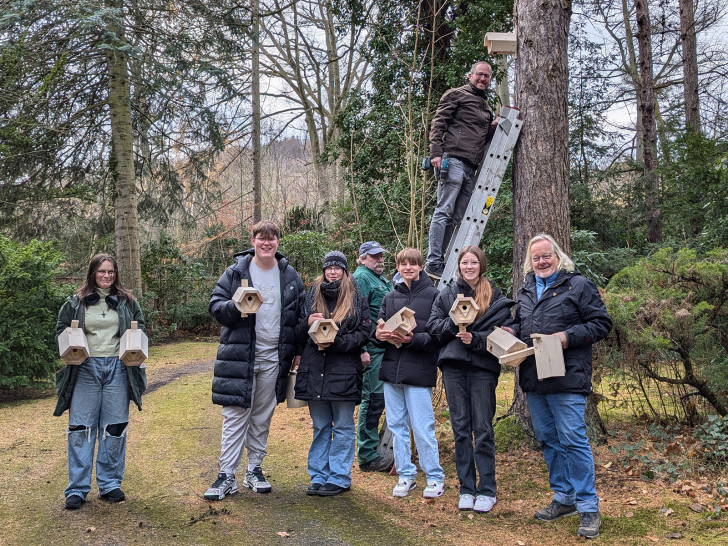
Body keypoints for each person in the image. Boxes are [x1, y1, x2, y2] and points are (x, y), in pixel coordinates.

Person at [503, 233, 612, 539]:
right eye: (536, 257)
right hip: (534, 377)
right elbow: (521, 323)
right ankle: (564, 498)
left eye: (546, 255)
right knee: (549, 438)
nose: (541, 261)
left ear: (558, 255)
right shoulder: (525, 289)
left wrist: (566, 337)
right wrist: (509, 330)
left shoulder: (577, 285)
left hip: (567, 377)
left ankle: (588, 506)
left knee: (573, 439)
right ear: (530, 261)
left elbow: (601, 323)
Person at [205, 221, 305, 500]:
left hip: (275, 358)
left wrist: (297, 351)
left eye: (272, 239)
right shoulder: (237, 271)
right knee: (235, 415)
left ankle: (254, 470)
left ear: (278, 242)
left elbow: (298, 317)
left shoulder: (289, 275)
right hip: (240, 357)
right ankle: (226, 475)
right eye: (261, 238)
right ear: (253, 240)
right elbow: (215, 306)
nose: (266, 243)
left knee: (262, 415)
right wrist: (236, 306)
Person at [54, 253, 147, 510]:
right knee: (80, 429)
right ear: (92, 273)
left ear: (116, 275)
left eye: (111, 272)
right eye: (101, 271)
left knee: (114, 428)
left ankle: (109, 484)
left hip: (118, 369)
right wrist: (70, 342)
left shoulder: (128, 302)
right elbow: (60, 331)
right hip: (85, 369)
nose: (106, 276)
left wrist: (135, 346)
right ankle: (77, 488)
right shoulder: (76, 303)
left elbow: (142, 329)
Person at [427, 246, 514, 513]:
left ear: (481, 265)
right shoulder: (447, 294)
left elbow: (501, 332)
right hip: (454, 369)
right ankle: (466, 487)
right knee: (461, 429)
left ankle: (487, 488)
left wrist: (475, 339)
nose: (469, 267)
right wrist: (454, 325)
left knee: (484, 429)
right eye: (464, 262)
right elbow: (433, 326)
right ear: (459, 266)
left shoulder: (494, 295)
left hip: (482, 369)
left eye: (473, 262)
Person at [295, 251, 371, 496]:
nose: (333, 271)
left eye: (338, 268)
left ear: (345, 271)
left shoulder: (356, 296)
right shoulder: (312, 295)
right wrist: (308, 323)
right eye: (329, 268)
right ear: (324, 270)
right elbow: (296, 331)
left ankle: (339, 476)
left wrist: (336, 341)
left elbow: (363, 333)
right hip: (315, 368)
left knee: (343, 426)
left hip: (344, 371)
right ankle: (318, 476)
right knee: (320, 426)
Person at [373, 248, 445, 498]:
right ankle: (406, 474)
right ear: (398, 267)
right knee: (396, 425)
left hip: (419, 370)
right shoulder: (390, 297)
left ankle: (434, 476)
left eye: (412, 264)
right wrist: (379, 335)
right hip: (391, 370)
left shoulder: (435, 295)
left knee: (422, 427)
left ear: (421, 266)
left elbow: (437, 336)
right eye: (403, 264)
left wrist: (412, 340)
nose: (408, 268)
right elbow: (380, 330)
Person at [425, 61, 499, 279]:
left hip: (471, 166)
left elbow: (483, 139)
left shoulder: (485, 107)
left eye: (487, 76)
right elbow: (439, 123)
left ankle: (446, 260)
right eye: (479, 75)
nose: (483, 79)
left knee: (458, 216)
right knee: (444, 210)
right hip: (453, 159)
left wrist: (493, 126)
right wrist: (436, 153)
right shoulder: (456, 95)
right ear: (470, 75)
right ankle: (433, 260)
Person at [351, 241, 393, 472]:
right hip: (372, 350)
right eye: (374, 256)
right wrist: (361, 349)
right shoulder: (361, 279)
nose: (379, 260)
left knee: (381, 400)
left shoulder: (380, 280)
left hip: (384, 348)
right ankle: (367, 455)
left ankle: (374, 446)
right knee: (373, 400)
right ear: (362, 258)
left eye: (381, 256)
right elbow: (356, 315)